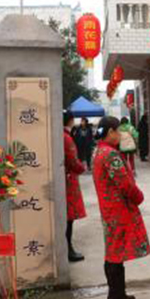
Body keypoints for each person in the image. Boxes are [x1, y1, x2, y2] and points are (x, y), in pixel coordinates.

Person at [93, 116, 150, 299]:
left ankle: (118, 295)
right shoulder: (110, 154)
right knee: (115, 254)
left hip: (109, 210)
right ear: (110, 132)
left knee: (113, 252)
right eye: (118, 131)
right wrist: (139, 197)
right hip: (118, 210)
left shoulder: (99, 151)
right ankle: (117, 298)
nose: (119, 135)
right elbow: (125, 184)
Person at [63, 110, 87, 263]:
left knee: (67, 217)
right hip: (68, 179)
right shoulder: (66, 137)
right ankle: (68, 249)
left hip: (66, 177)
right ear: (71, 120)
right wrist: (81, 167)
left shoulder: (62, 135)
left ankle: (68, 248)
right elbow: (72, 160)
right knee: (68, 217)